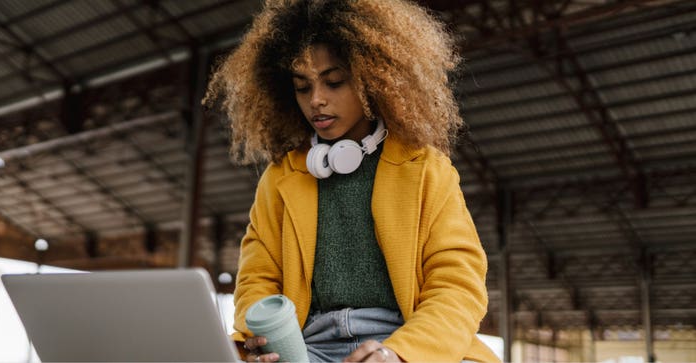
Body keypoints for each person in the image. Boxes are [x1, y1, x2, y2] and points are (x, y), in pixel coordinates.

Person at [204, 0, 499, 362]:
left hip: (406, 342)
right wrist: (264, 342)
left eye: (334, 81)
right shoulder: (280, 177)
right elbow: (257, 278)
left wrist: (399, 354)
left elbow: (457, 287)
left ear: (373, 77)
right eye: (301, 86)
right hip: (306, 348)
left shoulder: (426, 169)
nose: (317, 100)